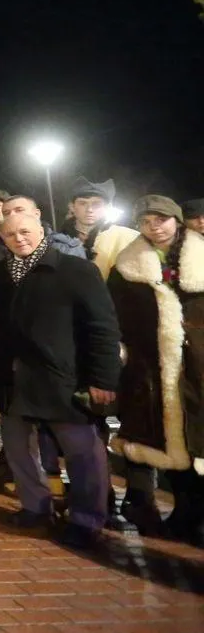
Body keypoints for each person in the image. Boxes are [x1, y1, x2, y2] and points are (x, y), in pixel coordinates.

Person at [0, 211, 122, 548]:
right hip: (11, 379)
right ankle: (35, 506)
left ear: (41, 230)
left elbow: (102, 327)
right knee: (19, 451)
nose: (19, 239)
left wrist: (103, 378)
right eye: (10, 235)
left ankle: (87, 518)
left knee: (82, 452)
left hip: (61, 379)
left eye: (25, 232)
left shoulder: (75, 269)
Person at [107, 195, 204, 545]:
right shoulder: (127, 266)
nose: (155, 227)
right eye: (147, 221)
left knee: (199, 440)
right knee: (167, 440)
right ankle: (184, 513)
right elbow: (113, 316)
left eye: (161, 219)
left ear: (176, 220)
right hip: (151, 368)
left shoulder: (200, 257)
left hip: (198, 368)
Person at [58, 178, 140, 280]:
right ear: (72, 206)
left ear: (108, 207)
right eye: (83, 203)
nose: (89, 210)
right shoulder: (57, 242)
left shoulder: (128, 237)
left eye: (96, 204)